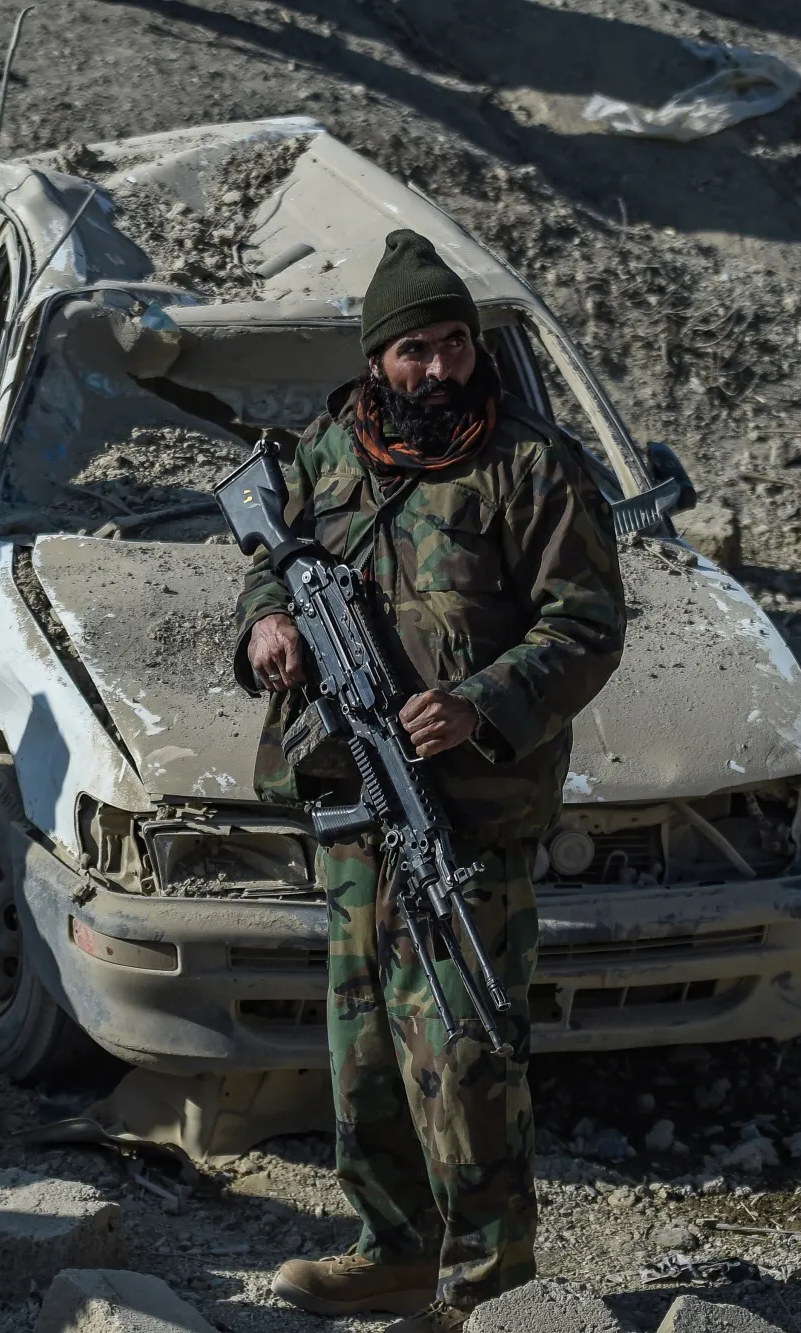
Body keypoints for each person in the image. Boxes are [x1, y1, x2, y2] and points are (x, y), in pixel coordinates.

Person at [238, 229, 626, 1331]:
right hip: (349, 799)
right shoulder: (329, 451)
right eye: (415, 349)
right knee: (360, 1049)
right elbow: (271, 556)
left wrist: (480, 705)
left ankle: (489, 1291)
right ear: (377, 361)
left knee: (464, 1049)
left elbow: (587, 626)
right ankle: (394, 1250)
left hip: (468, 812)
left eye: (454, 343)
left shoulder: (531, 467)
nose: (440, 368)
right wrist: (265, 619)